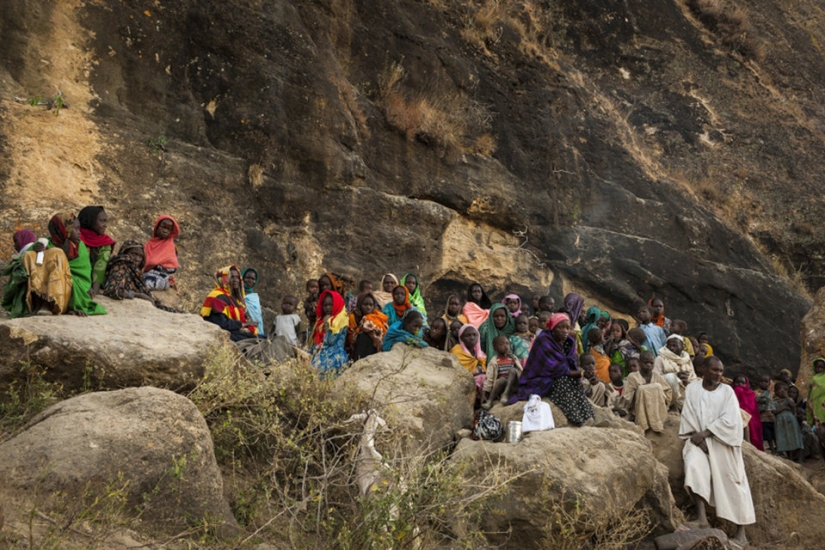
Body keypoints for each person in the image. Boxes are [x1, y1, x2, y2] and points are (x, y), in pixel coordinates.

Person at [679, 356, 755, 547]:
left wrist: (706, 434)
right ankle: (702, 518)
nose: (718, 374)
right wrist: (698, 437)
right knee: (693, 465)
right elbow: (688, 413)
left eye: (721, 371)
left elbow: (731, 421)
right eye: (714, 370)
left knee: (733, 481)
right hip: (697, 441)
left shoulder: (727, 392)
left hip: (722, 442)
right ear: (702, 369)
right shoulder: (692, 389)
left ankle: (741, 535)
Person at [508, 313, 595, 426]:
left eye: (567, 328)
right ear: (553, 328)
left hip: (558, 375)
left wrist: (581, 374)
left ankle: (589, 417)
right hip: (539, 378)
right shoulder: (544, 341)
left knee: (575, 383)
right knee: (563, 382)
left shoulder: (568, 342)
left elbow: (569, 364)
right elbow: (557, 369)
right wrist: (582, 374)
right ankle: (577, 419)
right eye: (560, 327)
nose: (565, 331)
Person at [3, 229, 72, 318]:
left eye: (16, 241)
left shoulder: (34, 250)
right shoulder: (28, 253)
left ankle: (46, 303)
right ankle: (37, 304)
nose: (14, 245)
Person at [48, 212, 106, 316]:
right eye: (75, 229)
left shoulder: (79, 247)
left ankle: (69, 305)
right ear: (63, 229)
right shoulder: (46, 245)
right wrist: (39, 252)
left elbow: (83, 275)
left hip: (69, 289)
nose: (79, 233)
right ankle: (44, 305)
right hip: (49, 292)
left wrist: (85, 289)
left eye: (79, 228)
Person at [102, 240, 180, 312]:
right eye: (134, 254)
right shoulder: (121, 266)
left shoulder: (136, 272)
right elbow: (113, 290)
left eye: (140, 256)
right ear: (124, 253)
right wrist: (138, 295)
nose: (137, 259)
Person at [201, 265, 259, 341]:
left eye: (237, 277)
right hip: (223, 334)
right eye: (231, 277)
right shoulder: (217, 296)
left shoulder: (234, 299)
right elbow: (221, 323)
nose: (235, 280)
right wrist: (244, 324)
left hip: (235, 332)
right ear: (222, 279)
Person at [624, 351, 672, 433]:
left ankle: (659, 422)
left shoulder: (656, 375)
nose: (649, 365)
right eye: (646, 362)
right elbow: (627, 397)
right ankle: (643, 425)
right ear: (639, 363)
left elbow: (668, 391)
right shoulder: (632, 376)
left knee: (657, 387)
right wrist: (641, 391)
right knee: (642, 389)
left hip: (656, 407)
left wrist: (658, 394)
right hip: (639, 408)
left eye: (651, 363)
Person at [77, 206, 116, 297]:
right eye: (101, 221)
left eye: (105, 221)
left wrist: (94, 291)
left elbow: (100, 269)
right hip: (76, 277)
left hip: (93, 283)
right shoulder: (76, 237)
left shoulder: (105, 242)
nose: (105, 225)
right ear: (90, 221)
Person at [309, 290, 350, 376]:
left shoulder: (341, 320)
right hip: (322, 353)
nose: (327, 308)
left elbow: (331, 341)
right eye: (325, 305)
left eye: (330, 305)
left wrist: (327, 324)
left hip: (335, 356)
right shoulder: (321, 321)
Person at [653, 334, 695, 405]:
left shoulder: (687, 359)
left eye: (675, 345)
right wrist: (676, 377)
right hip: (667, 394)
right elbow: (655, 378)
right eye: (669, 346)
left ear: (682, 347)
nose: (672, 348)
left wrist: (687, 382)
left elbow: (693, 377)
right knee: (670, 377)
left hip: (685, 394)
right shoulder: (660, 359)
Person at [482, 335, 522, 409]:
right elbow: (489, 377)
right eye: (501, 344)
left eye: (507, 343)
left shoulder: (513, 358)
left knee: (512, 370)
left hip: (513, 385)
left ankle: (506, 394)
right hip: (502, 387)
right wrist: (485, 390)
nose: (505, 346)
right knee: (501, 380)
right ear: (495, 348)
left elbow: (520, 371)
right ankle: (490, 401)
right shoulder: (494, 361)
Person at [346, 292, 388, 359]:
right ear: (359, 304)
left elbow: (384, 332)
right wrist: (361, 329)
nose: (368, 307)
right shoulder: (353, 316)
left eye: (371, 305)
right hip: (358, 346)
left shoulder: (378, 316)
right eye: (365, 304)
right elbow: (350, 337)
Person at [450, 324, 487, 401]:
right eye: (468, 335)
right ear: (461, 338)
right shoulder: (456, 352)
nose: (472, 338)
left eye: (474, 335)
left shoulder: (481, 354)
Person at [143, 215, 180, 291]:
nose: (165, 231)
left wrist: (155, 265)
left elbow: (172, 268)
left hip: (161, 276)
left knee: (147, 283)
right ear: (157, 227)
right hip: (145, 272)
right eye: (163, 227)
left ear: (171, 232)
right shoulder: (149, 244)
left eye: (168, 229)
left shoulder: (171, 247)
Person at [771, 381, 804, 464]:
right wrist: (784, 408)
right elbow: (774, 411)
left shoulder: (789, 400)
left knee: (795, 438)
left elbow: (793, 406)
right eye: (781, 390)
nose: (784, 392)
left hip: (791, 422)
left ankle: (800, 459)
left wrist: (786, 397)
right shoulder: (773, 402)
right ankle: (790, 459)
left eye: (786, 390)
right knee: (785, 439)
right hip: (780, 423)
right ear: (775, 392)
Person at [732, 375, 764, 451]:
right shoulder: (731, 392)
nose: (740, 385)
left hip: (750, 416)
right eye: (737, 382)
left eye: (742, 383)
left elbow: (753, 408)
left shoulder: (751, 394)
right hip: (736, 414)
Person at [806, 358, 825, 460]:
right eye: (818, 367)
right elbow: (810, 398)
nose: (820, 369)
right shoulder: (812, 381)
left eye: (822, 367)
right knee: (821, 436)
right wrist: (810, 417)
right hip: (817, 412)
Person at [241, 267, 265, 336]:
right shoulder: (238, 292)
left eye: (253, 279)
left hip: (256, 326)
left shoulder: (254, 296)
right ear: (242, 278)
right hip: (244, 325)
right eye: (247, 278)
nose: (250, 280)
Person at [756, 374, 776, 453]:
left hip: (772, 417)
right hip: (763, 418)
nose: (763, 383)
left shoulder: (772, 393)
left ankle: (778, 448)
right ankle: (772, 449)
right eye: (761, 381)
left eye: (766, 381)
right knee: (768, 435)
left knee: (775, 433)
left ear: (769, 383)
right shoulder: (755, 393)